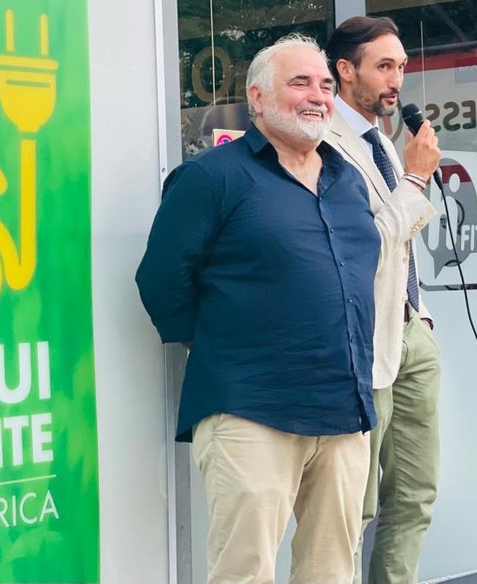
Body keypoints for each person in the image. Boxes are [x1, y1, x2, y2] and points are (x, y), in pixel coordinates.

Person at [135, 34, 380, 584]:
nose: (317, 96)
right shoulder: (211, 177)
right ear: (258, 98)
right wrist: (219, 343)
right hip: (251, 408)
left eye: (325, 85)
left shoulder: (347, 180)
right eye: (300, 83)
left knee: (332, 573)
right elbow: (161, 279)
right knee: (244, 573)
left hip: (343, 410)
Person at [324, 16, 441, 584]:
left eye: (401, 66)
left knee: (416, 493)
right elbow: (362, 246)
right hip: (365, 342)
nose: (397, 80)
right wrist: (415, 181)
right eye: (384, 66)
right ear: (345, 70)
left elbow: (404, 244)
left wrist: (423, 318)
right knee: (356, 503)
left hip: (411, 332)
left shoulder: (386, 145)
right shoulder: (326, 144)